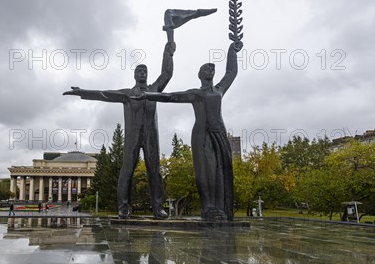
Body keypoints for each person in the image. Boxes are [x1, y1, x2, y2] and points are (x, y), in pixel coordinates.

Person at [64, 41, 176, 219]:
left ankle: (158, 208)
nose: (143, 73)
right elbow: (103, 94)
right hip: (132, 137)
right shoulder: (127, 93)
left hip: (151, 138)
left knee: (155, 171)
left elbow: (167, 73)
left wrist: (168, 52)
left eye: (145, 71)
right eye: (139, 71)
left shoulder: (154, 89)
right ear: (134, 75)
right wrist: (82, 92)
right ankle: (123, 207)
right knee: (127, 170)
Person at [137, 41, 243, 221]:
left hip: (219, 133)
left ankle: (220, 209)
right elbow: (170, 97)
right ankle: (208, 207)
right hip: (201, 135)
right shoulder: (196, 93)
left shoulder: (219, 90)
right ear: (200, 75)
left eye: (212, 69)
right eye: (207, 69)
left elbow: (231, 73)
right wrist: (147, 95)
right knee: (204, 170)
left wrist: (232, 50)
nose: (211, 71)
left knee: (219, 170)